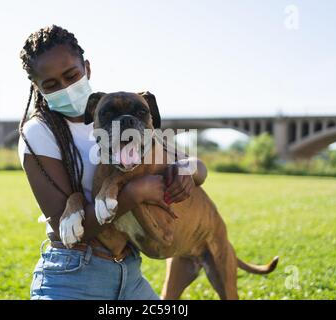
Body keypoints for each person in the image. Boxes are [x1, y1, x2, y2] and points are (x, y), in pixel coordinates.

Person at [17, 25, 207, 300]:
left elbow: (197, 167)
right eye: (51, 85)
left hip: (129, 273)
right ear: (37, 88)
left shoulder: (117, 111)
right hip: (74, 274)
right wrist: (134, 192)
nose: (66, 89)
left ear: (87, 68)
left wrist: (185, 169)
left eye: (71, 76)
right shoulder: (39, 133)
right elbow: (68, 232)